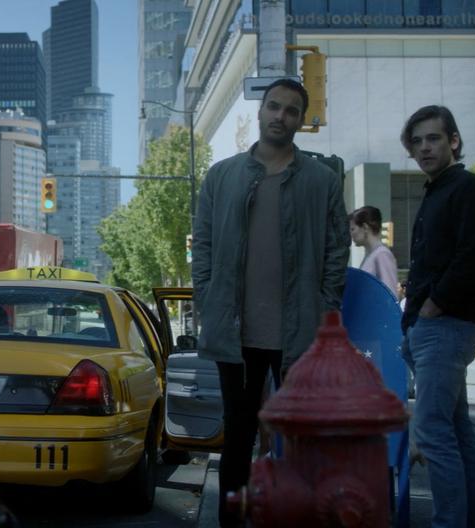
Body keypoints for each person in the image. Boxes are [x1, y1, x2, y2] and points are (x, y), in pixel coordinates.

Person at [192, 78, 350, 527]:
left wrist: (325, 306)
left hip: (300, 332)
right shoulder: (222, 176)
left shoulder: (321, 181)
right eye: (274, 107)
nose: (281, 116)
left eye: (291, 110)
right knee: (237, 439)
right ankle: (234, 521)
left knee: (305, 438)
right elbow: (201, 245)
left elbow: (337, 250)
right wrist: (206, 296)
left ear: (302, 119)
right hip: (236, 334)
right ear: (259, 113)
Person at [400, 105, 475, 527]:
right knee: (458, 435)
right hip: (433, 327)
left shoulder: (469, 188)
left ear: (453, 141)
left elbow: (471, 258)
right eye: (417, 141)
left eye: (433, 138)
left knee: (435, 437)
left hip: (446, 325)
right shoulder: (437, 189)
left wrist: (431, 307)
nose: (424, 147)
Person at [349, 205, 399, 298]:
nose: (351, 234)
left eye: (353, 229)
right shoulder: (371, 255)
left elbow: (389, 295)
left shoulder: (382, 255)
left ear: (365, 227)